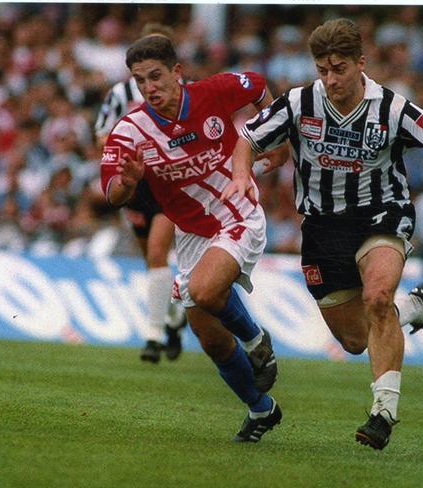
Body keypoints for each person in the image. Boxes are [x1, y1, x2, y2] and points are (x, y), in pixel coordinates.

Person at [225, 18, 423, 450]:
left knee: (377, 298)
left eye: (339, 69)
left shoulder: (392, 108)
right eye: (323, 70)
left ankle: (383, 413)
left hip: (381, 214)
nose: (330, 80)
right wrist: (239, 177)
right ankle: (417, 308)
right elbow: (247, 139)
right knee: (354, 339)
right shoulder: (298, 102)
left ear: (360, 64)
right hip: (322, 227)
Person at [100, 35, 286, 442]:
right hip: (192, 234)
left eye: (156, 76)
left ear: (177, 72)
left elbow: (256, 85)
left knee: (203, 291)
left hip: (237, 211)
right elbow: (111, 192)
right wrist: (126, 184)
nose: (150, 87)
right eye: (140, 80)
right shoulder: (131, 130)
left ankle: (257, 341)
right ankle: (261, 409)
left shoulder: (213, 92)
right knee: (210, 337)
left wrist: (276, 142)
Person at [95, 24, 187, 364]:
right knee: (149, 258)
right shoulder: (119, 94)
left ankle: (152, 336)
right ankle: (175, 317)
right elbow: (102, 136)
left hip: (167, 184)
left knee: (157, 250)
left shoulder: (184, 92)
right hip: (133, 186)